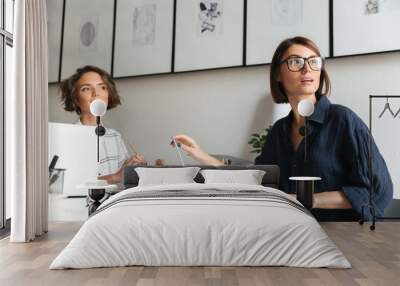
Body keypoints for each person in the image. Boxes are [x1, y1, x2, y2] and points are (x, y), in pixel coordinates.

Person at [172, 36, 393, 221]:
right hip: (296, 235)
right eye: (296, 62)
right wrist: (202, 156)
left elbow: (377, 192)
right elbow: (257, 179)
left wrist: (308, 199)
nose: (307, 68)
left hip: (350, 238)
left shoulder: (343, 120)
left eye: (313, 61)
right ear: (278, 73)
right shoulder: (280, 130)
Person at [60, 65, 146, 184]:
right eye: (86, 88)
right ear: (75, 98)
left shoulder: (115, 136)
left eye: (102, 87)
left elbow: (123, 179)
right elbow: (69, 184)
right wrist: (115, 177)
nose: (96, 93)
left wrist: (136, 168)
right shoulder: (66, 138)